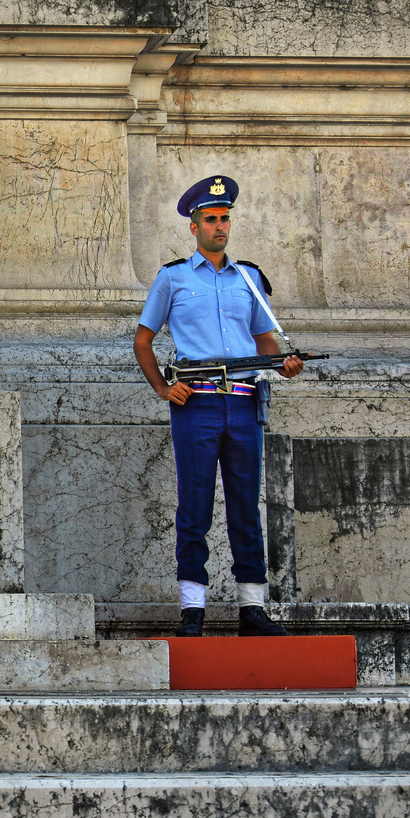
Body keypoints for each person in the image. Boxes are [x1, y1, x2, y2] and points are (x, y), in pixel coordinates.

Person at [133, 175, 302, 638]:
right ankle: (193, 611)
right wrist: (163, 390)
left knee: (246, 508)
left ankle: (252, 609)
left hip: (244, 403)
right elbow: (143, 340)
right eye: (211, 219)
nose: (220, 226)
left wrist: (281, 365)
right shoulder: (173, 278)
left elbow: (263, 340)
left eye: (225, 218)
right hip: (197, 403)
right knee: (195, 509)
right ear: (194, 226)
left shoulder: (248, 277)